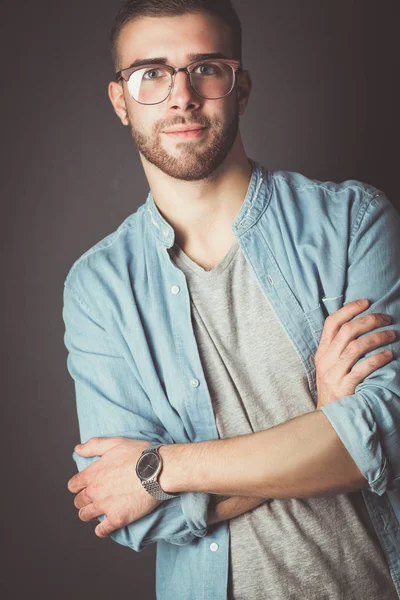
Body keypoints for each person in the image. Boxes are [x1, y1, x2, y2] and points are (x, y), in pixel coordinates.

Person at [63, 1, 400, 598]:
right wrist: (322, 427)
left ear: (240, 87)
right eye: (151, 74)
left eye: (207, 68)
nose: (181, 96)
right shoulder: (97, 288)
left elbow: (386, 436)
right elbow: (128, 511)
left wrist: (162, 468)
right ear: (120, 100)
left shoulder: (353, 222)